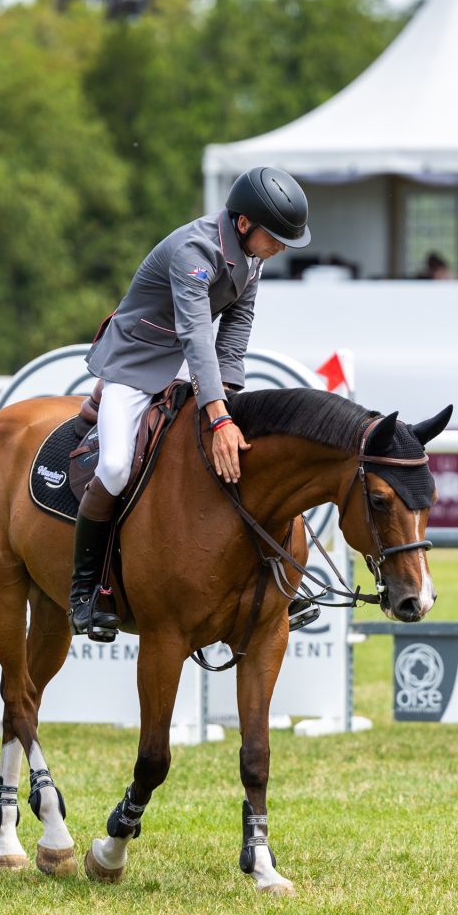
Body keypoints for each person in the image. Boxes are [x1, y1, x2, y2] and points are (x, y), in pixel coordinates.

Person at [68, 166, 312, 637]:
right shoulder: (193, 251)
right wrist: (217, 416)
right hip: (136, 363)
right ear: (244, 224)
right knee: (116, 465)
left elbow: (235, 333)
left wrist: (231, 405)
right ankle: (85, 589)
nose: (281, 247)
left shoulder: (251, 257)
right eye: (276, 237)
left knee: (245, 451)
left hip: (187, 363)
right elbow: (197, 333)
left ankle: (275, 579)